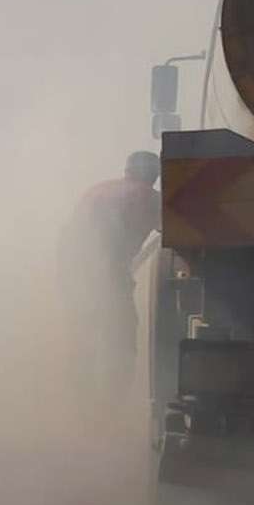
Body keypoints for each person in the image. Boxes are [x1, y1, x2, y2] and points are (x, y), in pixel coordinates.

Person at [58, 150, 162, 398]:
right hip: (107, 274)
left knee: (86, 332)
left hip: (72, 270)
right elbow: (174, 229)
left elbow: (72, 232)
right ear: (155, 176)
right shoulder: (148, 197)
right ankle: (110, 405)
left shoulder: (98, 189)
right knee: (121, 338)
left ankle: (78, 399)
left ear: (127, 171)